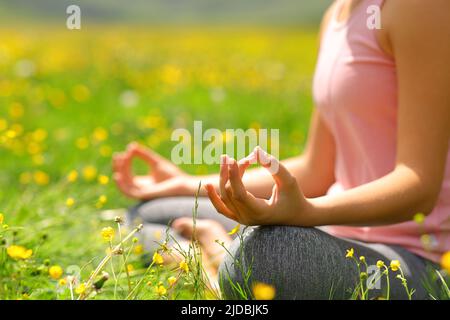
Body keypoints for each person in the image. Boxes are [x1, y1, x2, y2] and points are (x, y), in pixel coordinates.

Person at [113, 0, 450, 299]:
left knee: (269, 258)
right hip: (333, 233)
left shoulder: (420, 7)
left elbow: (419, 188)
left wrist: (308, 213)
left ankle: (216, 261)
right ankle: (220, 263)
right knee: (149, 213)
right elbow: (316, 170)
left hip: (416, 260)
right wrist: (191, 184)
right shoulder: (338, 14)